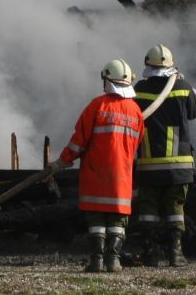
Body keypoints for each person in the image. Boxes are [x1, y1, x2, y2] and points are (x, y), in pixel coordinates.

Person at [51, 59, 145, 273]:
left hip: (96, 174)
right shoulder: (136, 111)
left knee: (96, 220)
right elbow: (136, 144)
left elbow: (78, 140)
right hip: (122, 175)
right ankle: (113, 261)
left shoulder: (97, 105)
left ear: (107, 80)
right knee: (118, 220)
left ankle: (96, 261)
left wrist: (62, 161)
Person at [132, 44, 196, 267]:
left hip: (148, 163)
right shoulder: (182, 86)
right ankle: (176, 253)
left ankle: (150, 252)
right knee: (175, 207)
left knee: (148, 208)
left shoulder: (139, 89)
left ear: (147, 64)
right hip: (178, 164)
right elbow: (194, 112)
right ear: (171, 65)